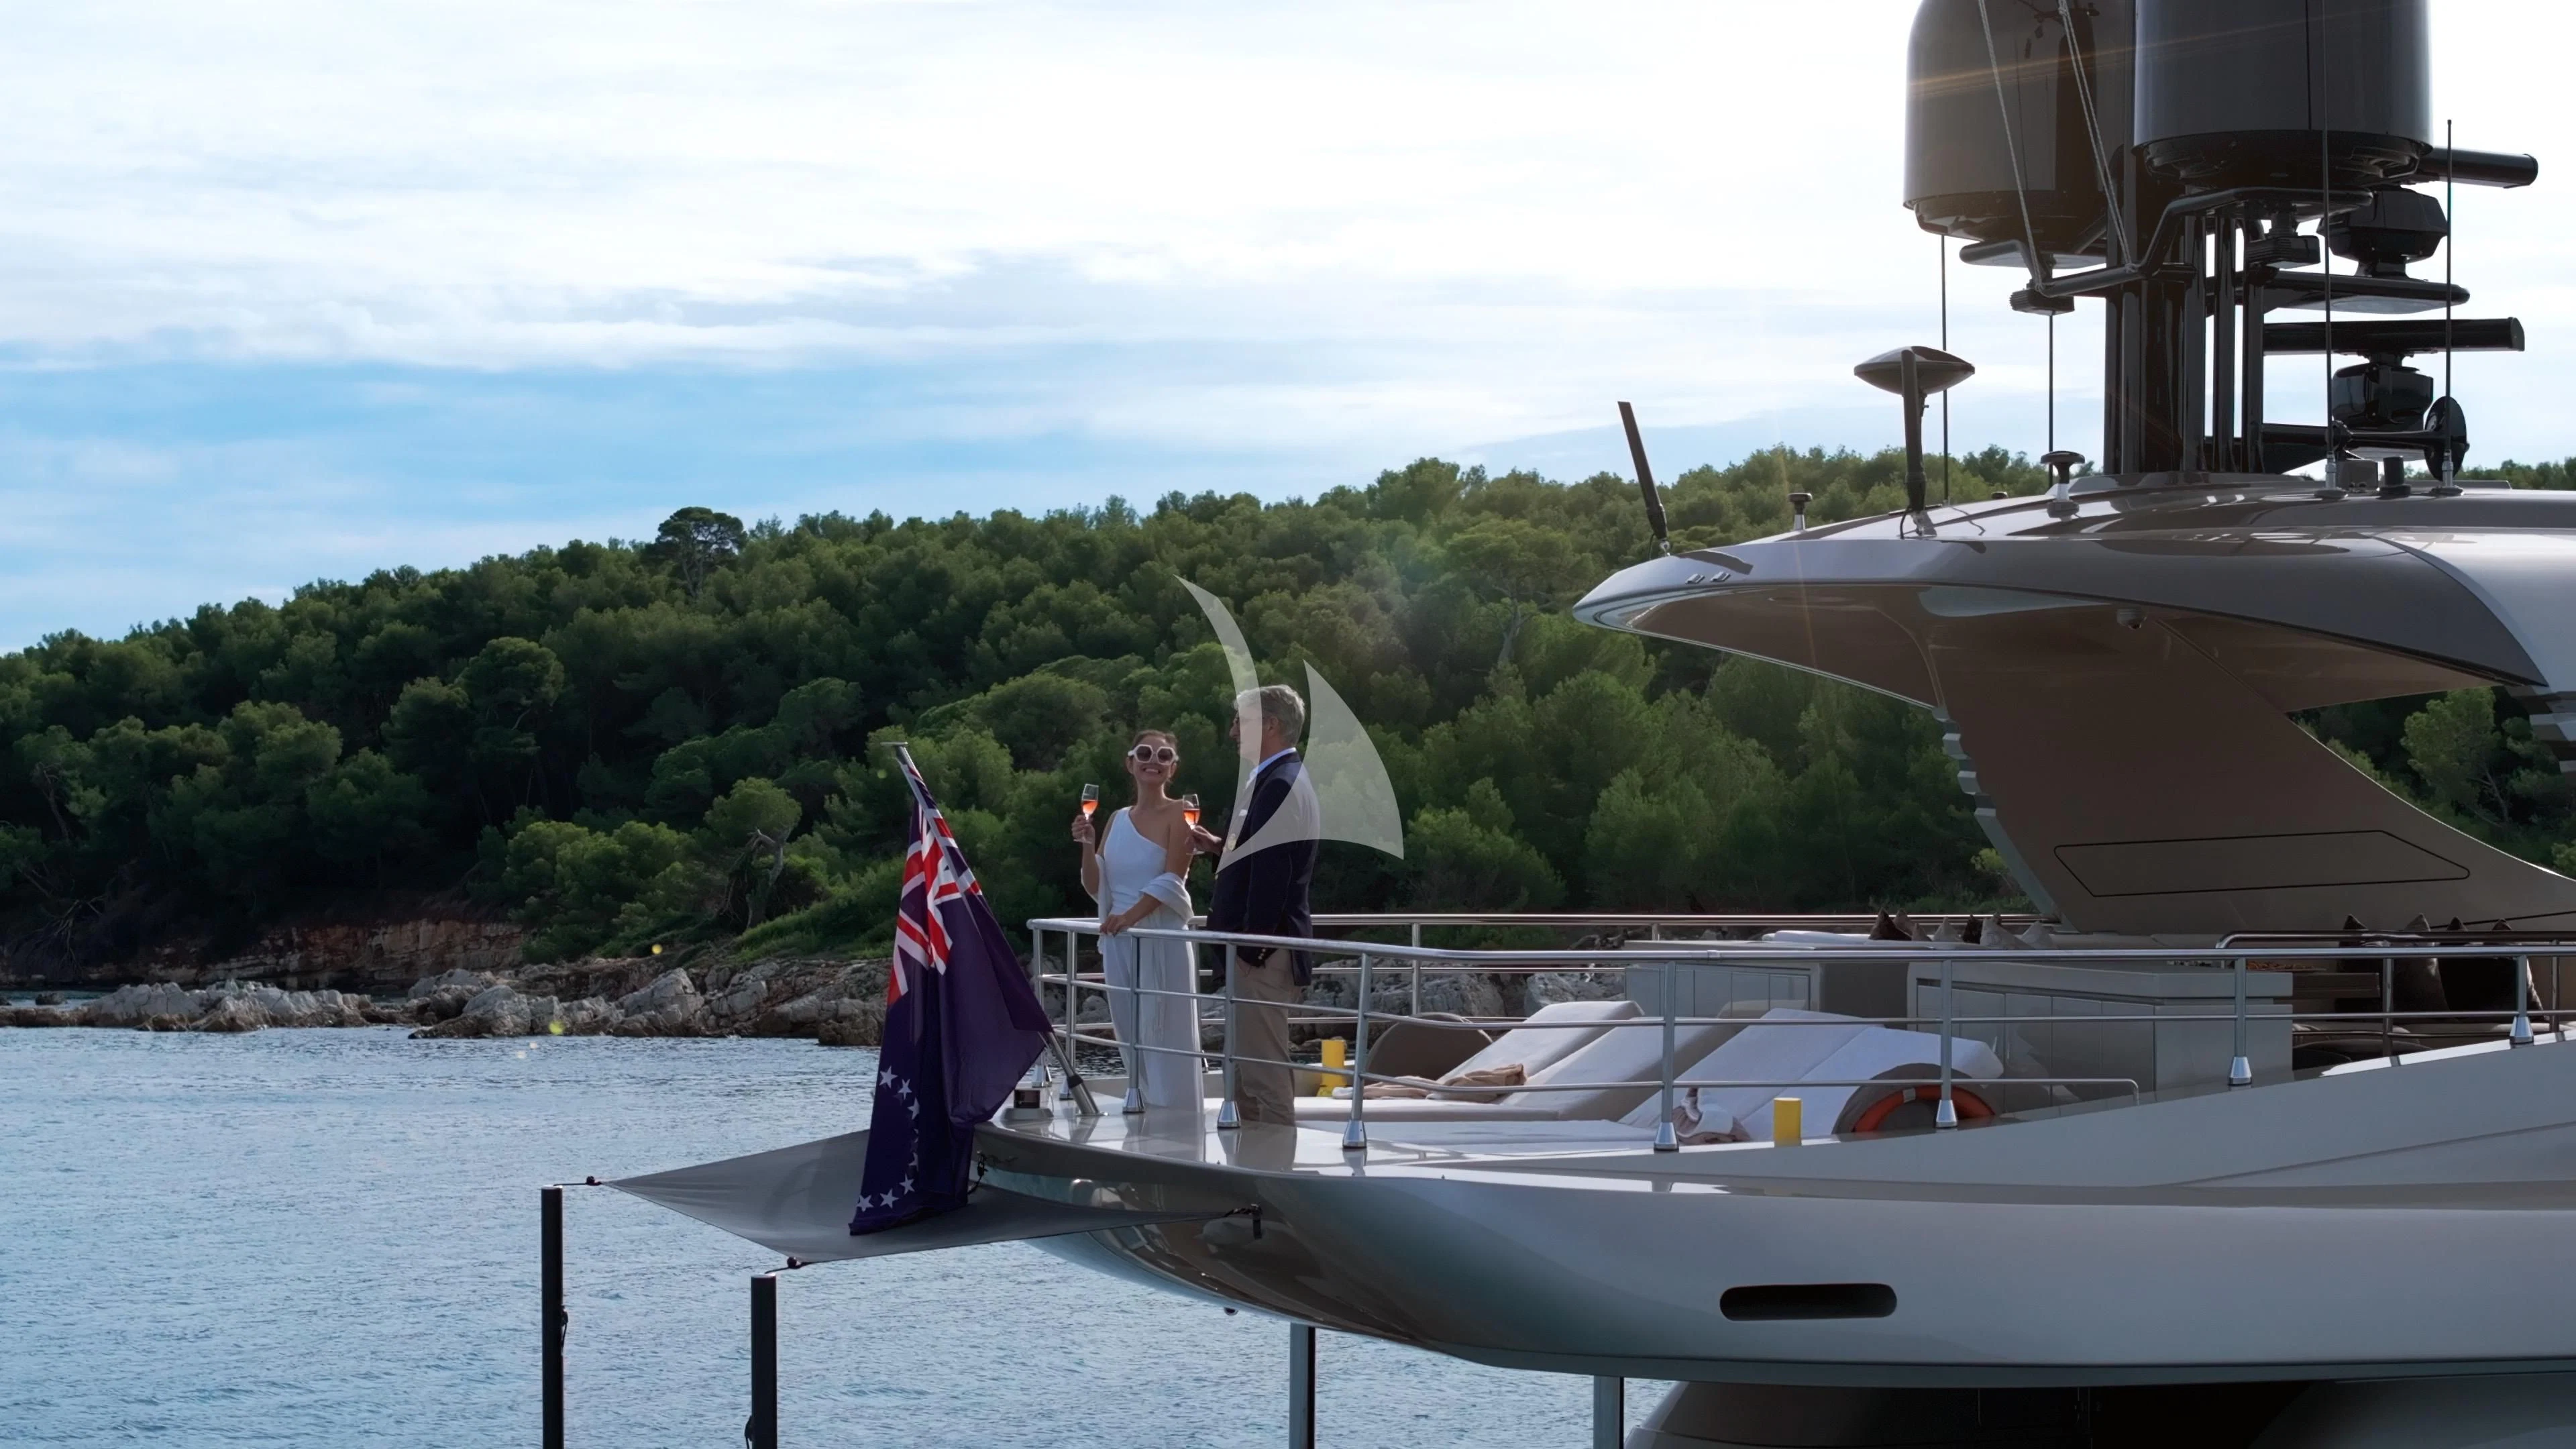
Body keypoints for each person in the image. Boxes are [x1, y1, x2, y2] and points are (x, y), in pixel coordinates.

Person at [1200, 685, 1319, 1127]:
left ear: (1269, 726)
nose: (1232, 733)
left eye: (1240, 722)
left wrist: (1253, 950)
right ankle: (1252, 1168)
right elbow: (1265, 857)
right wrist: (1218, 847)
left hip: (1262, 954)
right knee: (1247, 1074)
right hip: (1261, 949)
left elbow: (1275, 876)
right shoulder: (1280, 779)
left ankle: (1276, 1175)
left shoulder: (1280, 785)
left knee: (1263, 1073)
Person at [1072, 729, 1204, 1120]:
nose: (1154, 760)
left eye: (1164, 756)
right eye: (1145, 753)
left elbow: (1172, 881)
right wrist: (1086, 844)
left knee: (1166, 1030)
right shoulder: (1114, 818)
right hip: (1120, 942)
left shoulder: (1182, 813)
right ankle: (1145, 1110)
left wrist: (1129, 918)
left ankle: (1179, 1118)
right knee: (1131, 1032)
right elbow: (1099, 886)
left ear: (1173, 769)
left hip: (1160, 939)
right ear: (1130, 763)